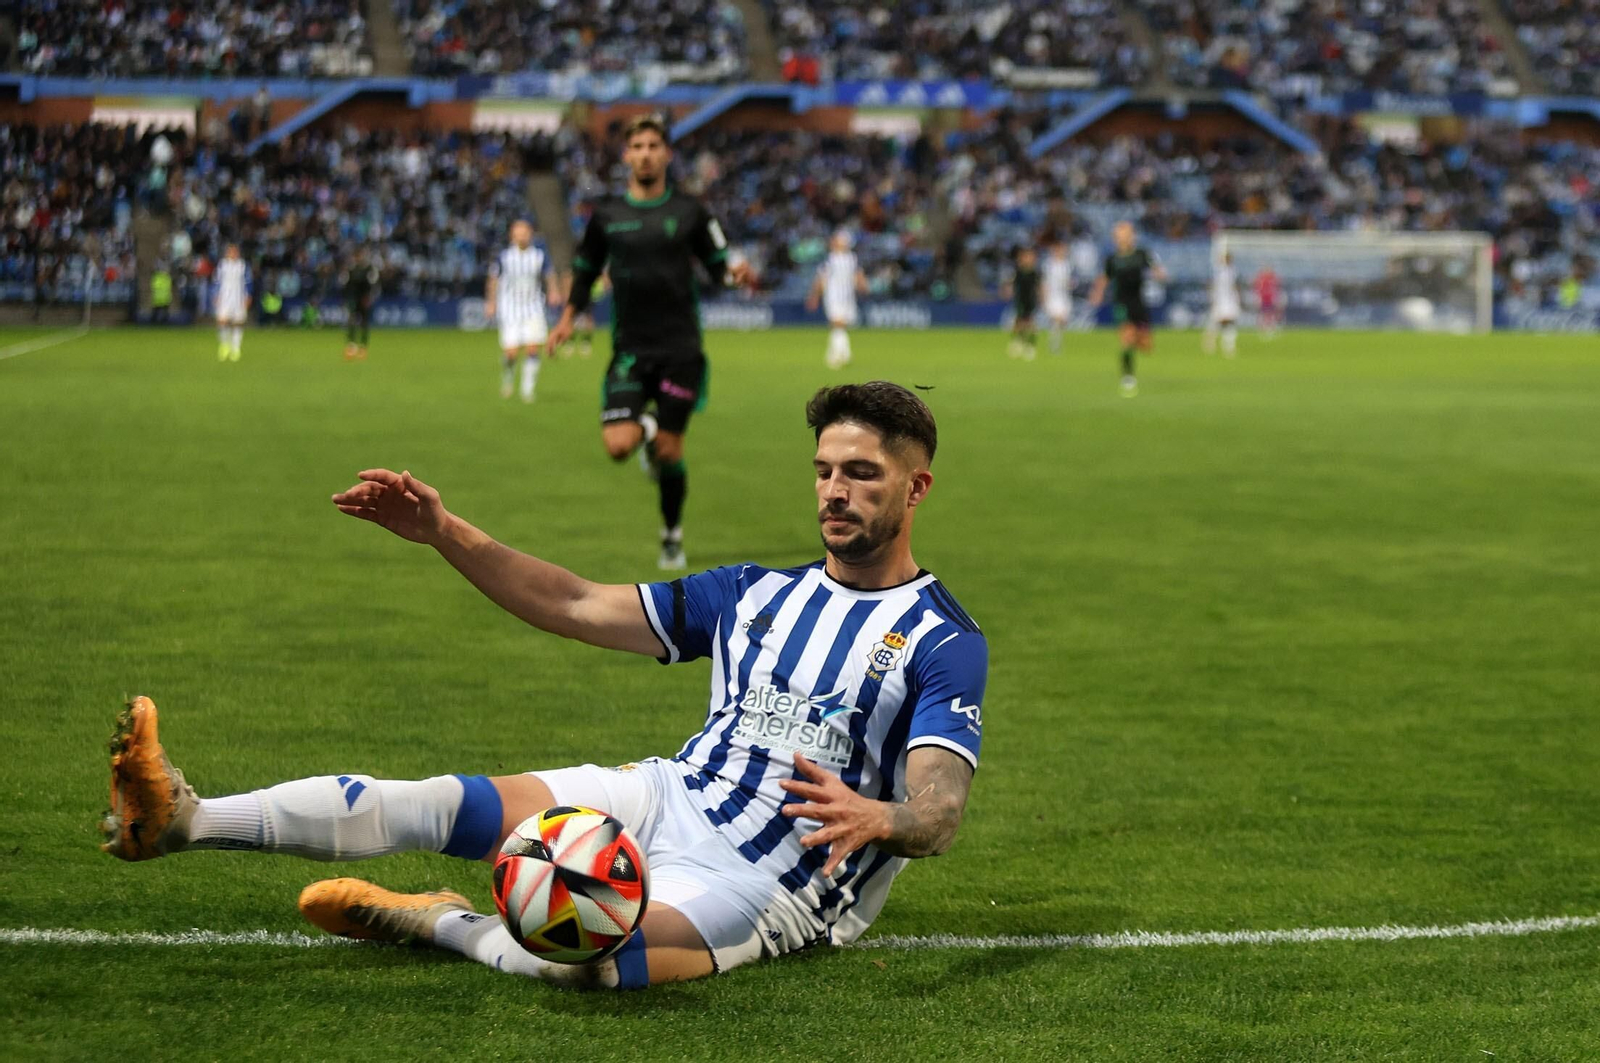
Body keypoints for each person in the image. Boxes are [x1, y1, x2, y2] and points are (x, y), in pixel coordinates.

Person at [99, 381, 987, 991]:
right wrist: (445, 533)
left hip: (771, 879)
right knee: (443, 803)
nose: (834, 492)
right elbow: (573, 601)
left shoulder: (943, 639)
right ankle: (184, 819)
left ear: (916, 487)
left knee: (586, 963)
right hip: (667, 795)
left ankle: (435, 921)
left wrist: (882, 818)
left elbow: (939, 809)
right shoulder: (753, 592)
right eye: (825, 470)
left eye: (861, 474)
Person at [546, 113, 753, 571]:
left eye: (653, 147)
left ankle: (671, 534)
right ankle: (649, 429)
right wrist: (567, 319)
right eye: (637, 147)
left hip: (681, 351)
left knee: (670, 453)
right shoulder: (607, 216)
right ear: (626, 155)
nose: (645, 154)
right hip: (630, 351)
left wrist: (734, 275)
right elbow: (584, 271)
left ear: (667, 154)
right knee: (618, 445)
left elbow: (718, 266)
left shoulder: (691, 211)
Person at [1088, 221, 1167, 396]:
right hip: (1121, 303)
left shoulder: (1142, 254)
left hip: (1139, 303)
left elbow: (1156, 268)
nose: (1123, 238)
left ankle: (1135, 345)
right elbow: (1104, 278)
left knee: (1146, 346)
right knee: (1126, 337)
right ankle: (1128, 377)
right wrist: (1097, 294)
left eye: (1126, 234)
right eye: (1119, 235)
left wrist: (1160, 274)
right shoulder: (1112, 259)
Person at [485, 219, 558, 401]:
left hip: (533, 307)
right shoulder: (504, 257)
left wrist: (553, 291)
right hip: (510, 308)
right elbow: (493, 279)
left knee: (532, 348)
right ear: (512, 236)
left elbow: (549, 275)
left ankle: (527, 390)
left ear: (530, 234)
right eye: (518, 233)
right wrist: (491, 302)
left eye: (525, 233)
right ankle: (508, 378)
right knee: (511, 352)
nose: (522, 236)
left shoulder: (539, 256)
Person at [806, 231, 868, 370]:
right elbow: (821, 279)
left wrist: (863, 286)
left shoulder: (850, 259)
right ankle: (841, 354)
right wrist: (815, 295)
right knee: (837, 323)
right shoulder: (831, 259)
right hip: (833, 296)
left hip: (847, 296)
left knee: (840, 325)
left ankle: (838, 354)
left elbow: (858, 274)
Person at [214, 243, 250, 363]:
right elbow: (217, 281)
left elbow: (248, 282)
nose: (233, 254)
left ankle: (236, 348)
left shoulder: (242, 265)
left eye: (235, 251)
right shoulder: (222, 265)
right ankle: (224, 345)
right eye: (230, 251)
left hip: (238, 296)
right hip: (225, 296)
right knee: (222, 321)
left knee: (237, 322)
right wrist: (216, 294)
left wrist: (248, 296)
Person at [1003, 247, 1040, 361]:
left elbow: (1039, 287)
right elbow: (1011, 284)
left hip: (1030, 300)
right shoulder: (1018, 272)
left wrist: (1041, 297)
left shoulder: (1034, 273)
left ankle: (1030, 345)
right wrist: (1008, 291)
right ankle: (1018, 342)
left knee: (1029, 322)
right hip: (1020, 300)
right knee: (1018, 321)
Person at [1201, 251, 1241, 357]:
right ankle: (1210, 342)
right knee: (1217, 322)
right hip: (1221, 300)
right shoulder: (1221, 271)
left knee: (1229, 323)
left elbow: (1234, 286)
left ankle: (1228, 346)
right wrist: (1213, 297)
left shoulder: (1231, 271)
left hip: (1229, 300)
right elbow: (1214, 286)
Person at [341, 252, 379, 361]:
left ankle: (363, 346)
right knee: (352, 321)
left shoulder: (368, 269)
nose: (358, 259)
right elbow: (347, 286)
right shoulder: (351, 270)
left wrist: (369, 297)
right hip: (354, 299)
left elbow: (372, 285)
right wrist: (347, 299)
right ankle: (351, 344)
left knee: (364, 323)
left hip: (364, 300)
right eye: (356, 257)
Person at [1042, 237, 1072, 355]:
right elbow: (1045, 282)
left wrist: (1069, 285)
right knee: (1056, 320)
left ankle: (1056, 340)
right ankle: (1055, 344)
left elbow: (1067, 281)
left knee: (1062, 322)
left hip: (1064, 296)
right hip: (1053, 296)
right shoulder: (1049, 264)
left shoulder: (1066, 264)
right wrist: (1044, 297)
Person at [1254, 266, 1282, 339]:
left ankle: (1270, 329)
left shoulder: (1273, 278)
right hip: (1264, 299)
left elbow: (1276, 289)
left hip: (1270, 299)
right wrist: (1258, 298)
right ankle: (1262, 329)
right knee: (1263, 315)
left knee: (1271, 315)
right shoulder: (1261, 278)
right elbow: (1258, 289)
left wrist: (1276, 299)